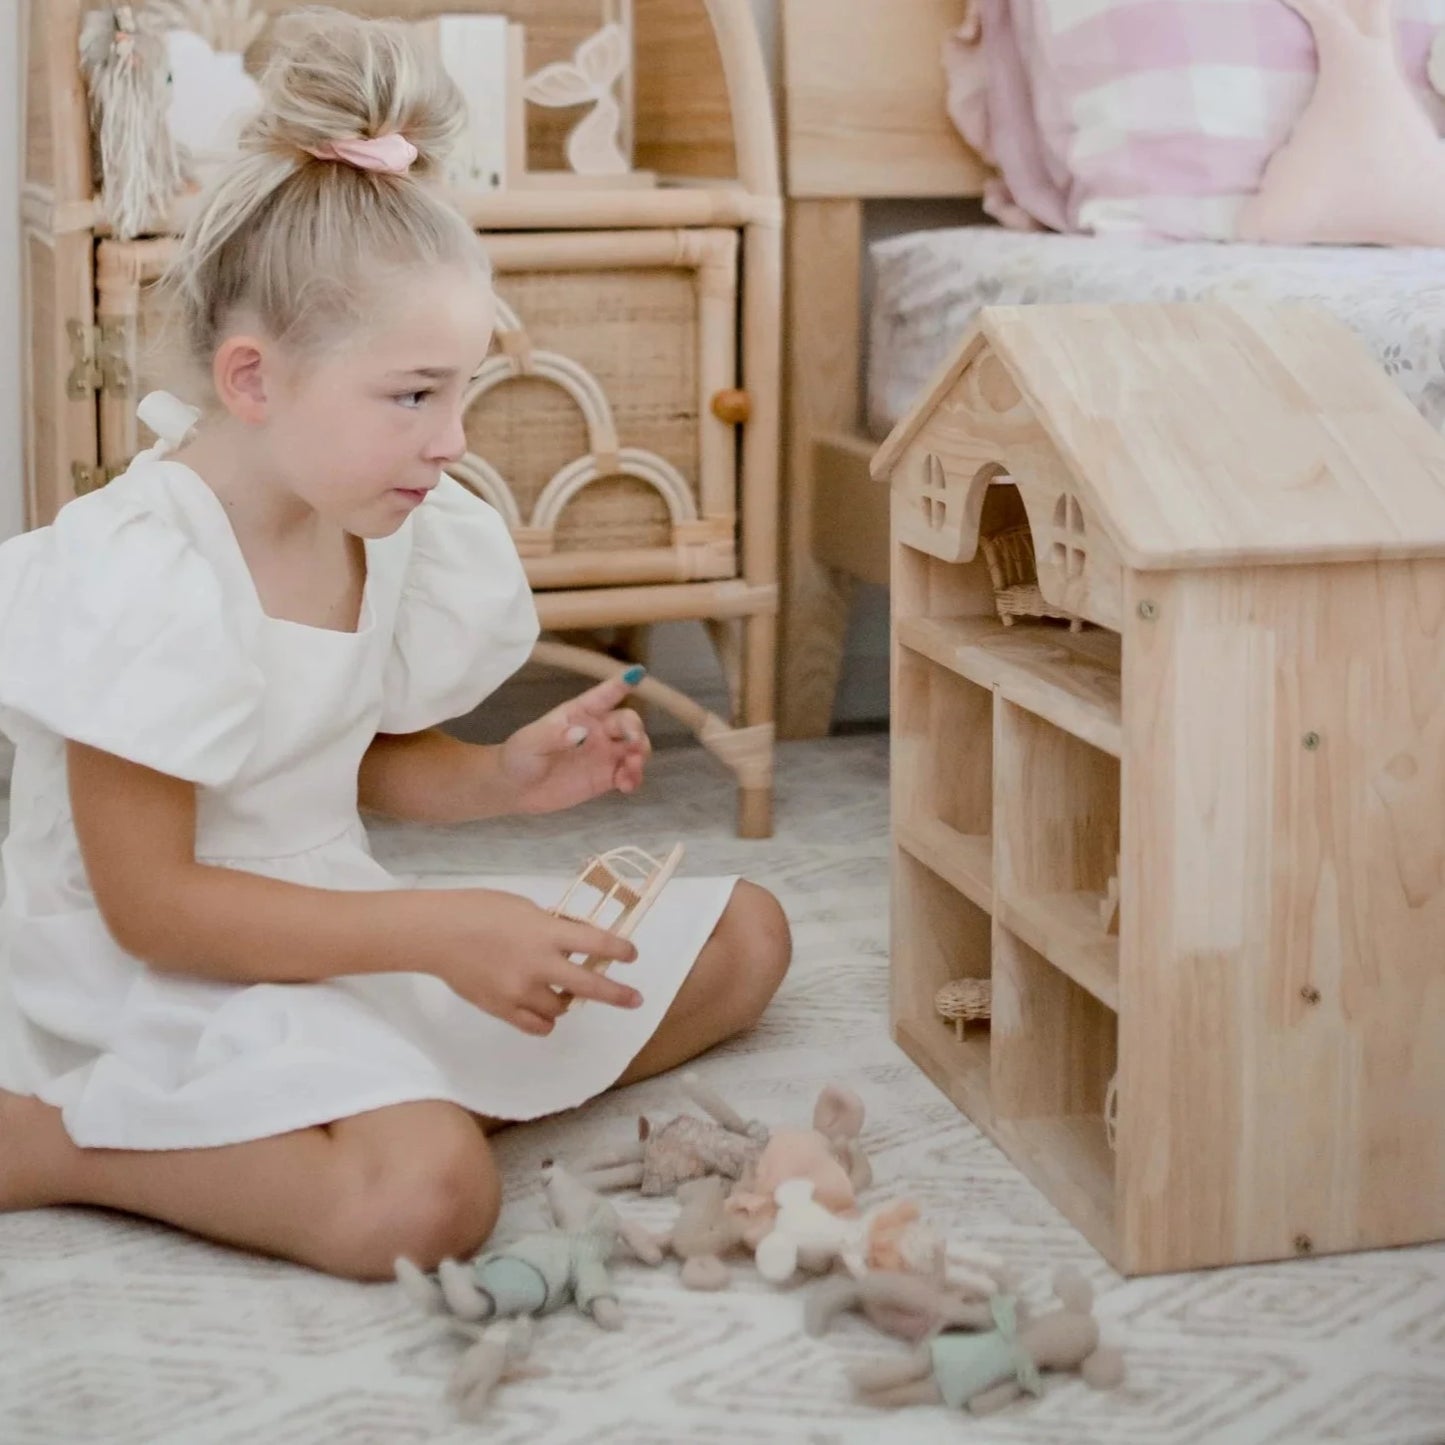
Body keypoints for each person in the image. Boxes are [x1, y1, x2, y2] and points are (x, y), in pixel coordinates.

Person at [0, 9, 790, 1281]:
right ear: (253, 382)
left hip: (329, 917)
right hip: (162, 961)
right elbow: (152, 908)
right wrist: (436, 932)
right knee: (427, 1197)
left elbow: (334, 758)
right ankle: (56, 1143)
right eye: (415, 394)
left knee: (746, 934)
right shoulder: (146, 566)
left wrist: (502, 777)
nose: (452, 438)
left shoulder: (374, 516)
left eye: (461, 389)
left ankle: (338, 1101)